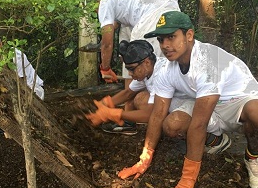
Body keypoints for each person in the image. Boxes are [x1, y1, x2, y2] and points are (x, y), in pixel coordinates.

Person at [118, 11, 258, 188]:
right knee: (172, 125)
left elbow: (198, 124)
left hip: (238, 103)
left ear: (189, 35)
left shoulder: (207, 61)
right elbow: (157, 114)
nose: (165, 45)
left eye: (171, 37)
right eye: (161, 40)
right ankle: (217, 141)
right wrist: (145, 157)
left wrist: (187, 179)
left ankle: (253, 157)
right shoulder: (169, 69)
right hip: (207, 105)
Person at [86, 40, 232, 157]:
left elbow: (151, 114)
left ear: (147, 63)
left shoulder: (160, 74)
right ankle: (186, 132)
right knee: (140, 98)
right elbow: (128, 93)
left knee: (171, 125)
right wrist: (105, 103)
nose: (130, 73)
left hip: (199, 106)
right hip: (180, 104)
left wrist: (115, 114)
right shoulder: (148, 70)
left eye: (131, 68)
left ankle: (215, 140)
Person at [97, 0, 180, 88]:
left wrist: (105, 68)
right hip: (167, 4)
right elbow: (115, 24)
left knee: (140, 61)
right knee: (127, 44)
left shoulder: (104, 3)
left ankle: (146, 97)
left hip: (157, 11)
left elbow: (107, 44)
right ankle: (130, 96)